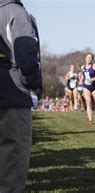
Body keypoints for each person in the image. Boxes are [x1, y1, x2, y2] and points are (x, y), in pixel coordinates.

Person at [0, 0, 41, 191]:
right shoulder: (15, 11)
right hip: (12, 96)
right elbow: (26, 55)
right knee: (13, 167)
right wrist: (32, 86)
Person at [79, 53, 95, 124]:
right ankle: (90, 120)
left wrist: (93, 79)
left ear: (92, 59)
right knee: (89, 102)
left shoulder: (94, 66)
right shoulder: (82, 67)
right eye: (88, 57)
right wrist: (81, 80)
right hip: (86, 87)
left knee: (94, 104)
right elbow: (83, 76)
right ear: (85, 58)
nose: (89, 59)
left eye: (90, 58)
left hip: (94, 87)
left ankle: (84, 99)